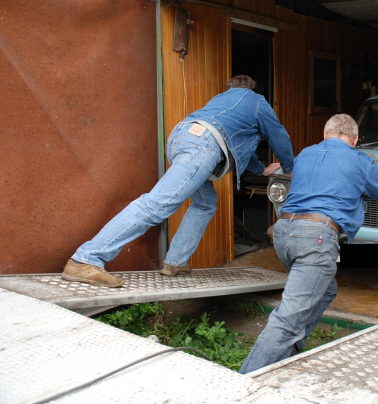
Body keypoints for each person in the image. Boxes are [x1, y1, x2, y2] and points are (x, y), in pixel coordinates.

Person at [62, 75, 295, 287]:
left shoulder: (221, 103)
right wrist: (290, 169)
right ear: (252, 89)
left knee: (205, 203)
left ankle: (175, 261)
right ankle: (86, 258)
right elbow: (278, 134)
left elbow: (239, 146)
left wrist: (262, 170)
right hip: (203, 146)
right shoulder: (255, 100)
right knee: (156, 204)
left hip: (181, 139)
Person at [239, 113, 378, 374]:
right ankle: (245, 382)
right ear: (355, 139)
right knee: (288, 318)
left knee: (326, 290)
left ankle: (286, 355)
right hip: (316, 239)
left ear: (325, 135)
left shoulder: (305, 154)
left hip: (283, 234)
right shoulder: (360, 160)